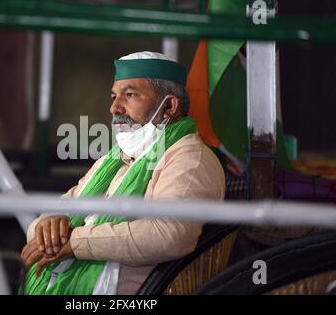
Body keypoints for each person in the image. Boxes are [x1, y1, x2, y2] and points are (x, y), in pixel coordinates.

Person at [21, 51, 225, 295]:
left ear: (169, 106)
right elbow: (60, 209)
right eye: (114, 96)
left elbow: (169, 235)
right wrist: (46, 227)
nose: (114, 108)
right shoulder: (117, 158)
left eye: (130, 95)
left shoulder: (190, 158)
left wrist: (76, 242)